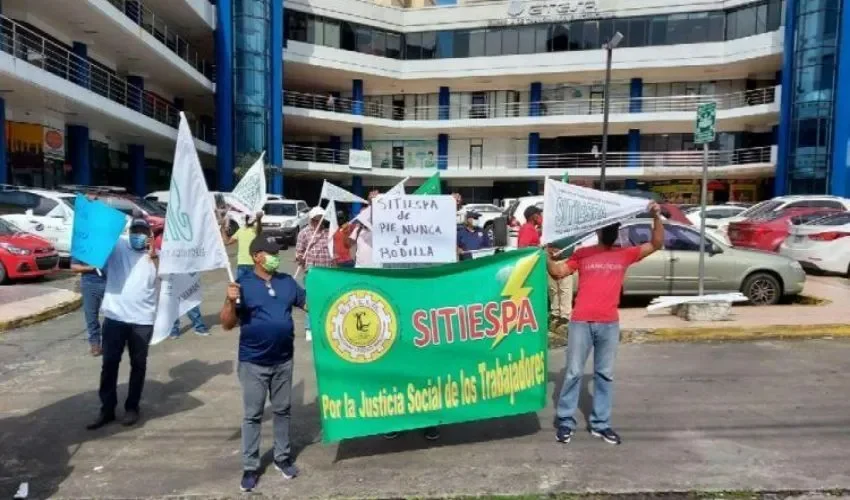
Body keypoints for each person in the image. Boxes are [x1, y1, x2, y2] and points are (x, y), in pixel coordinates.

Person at [546, 202, 663, 446]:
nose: (610, 232)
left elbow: (656, 244)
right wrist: (545, 258)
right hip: (581, 322)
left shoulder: (625, 254)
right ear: (600, 232)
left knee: (604, 375)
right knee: (574, 372)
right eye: (608, 228)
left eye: (614, 228)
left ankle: (601, 424)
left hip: (609, 324)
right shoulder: (583, 254)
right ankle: (565, 421)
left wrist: (657, 217)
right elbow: (558, 272)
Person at [220, 238, 305, 492]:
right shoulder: (242, 285)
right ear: (257, 256)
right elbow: (226, 324)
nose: (276, 256)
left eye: (277, 252)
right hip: (253, 363)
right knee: (253, 415)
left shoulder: (287, 282)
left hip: (283, 360)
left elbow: (309, 304)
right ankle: (250, 466)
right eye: (271, 253)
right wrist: (228, 300)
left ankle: (282, 458)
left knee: (282, 410)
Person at [86, 218, 159, 430]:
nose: (139, 235)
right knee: (109, 364)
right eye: (135, 230)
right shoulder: (118, 246)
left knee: (138, 365)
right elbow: (97, 233)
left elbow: (165, 277)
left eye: (143, 231)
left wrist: (153, 256)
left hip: (143, 321)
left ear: (150, 235)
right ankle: (106, 409)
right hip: (115, 317)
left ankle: (132, 407)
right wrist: (93, 211)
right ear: (129, 231)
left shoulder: (157, 256)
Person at [152, 232, 210, 338]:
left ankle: (199, 327)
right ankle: (174, 330)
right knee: (173, 303)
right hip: (170, 275)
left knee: (190, 299)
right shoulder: (159, 240)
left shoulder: (180, 238)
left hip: (184, 274)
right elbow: (160, 259)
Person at [295, 206, 334, 340]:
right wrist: (300, 258)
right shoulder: (304, 233)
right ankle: (309, 328)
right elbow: (299, 252)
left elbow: (333, 251)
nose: (320, 221)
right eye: (317, 219)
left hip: (327, 271)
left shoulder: (328, 232)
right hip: (312, 271)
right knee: (311, 300)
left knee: (325, 301)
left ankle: (323, 327)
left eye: (322, 219)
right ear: (312, 219)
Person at [71, 258, 107, 356]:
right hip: (89, 283)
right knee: (91, 315)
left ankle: (109, 342)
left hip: (110, 282)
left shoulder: (109, 246)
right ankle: (95, 343)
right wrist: (91, 268)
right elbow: (74, 267)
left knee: (113, 314)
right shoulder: (83, 246)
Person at [225, 212, 264, 281]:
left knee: (245, 286)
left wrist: (259, 219)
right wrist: (224, 227)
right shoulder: (242, 230)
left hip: (249, 264)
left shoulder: (253, 229)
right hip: (246, 264)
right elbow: (227, 242)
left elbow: (227, 242)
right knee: (249, 286)